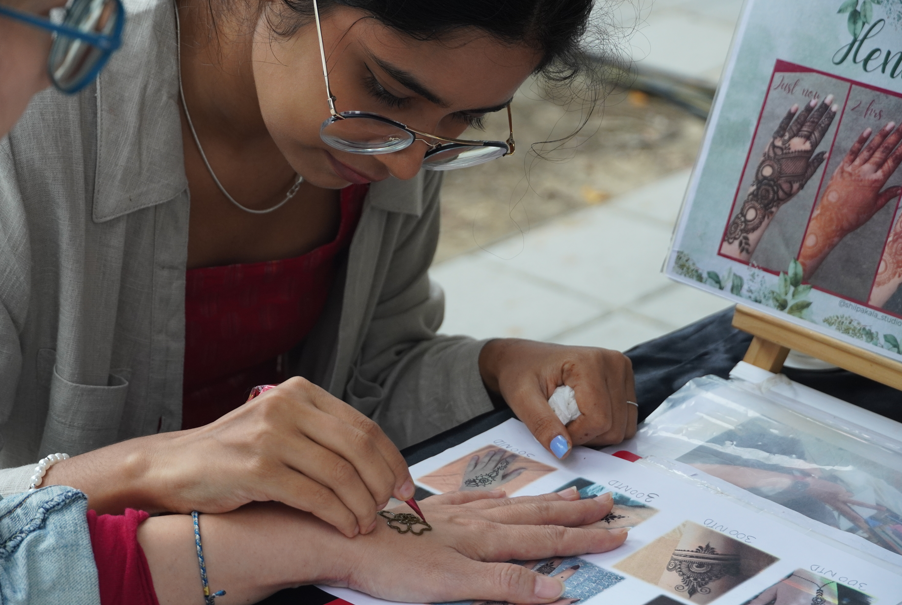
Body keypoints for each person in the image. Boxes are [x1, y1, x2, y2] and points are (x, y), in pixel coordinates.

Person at [1, 0, 634, 602]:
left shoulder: (384, 147)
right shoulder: (28, 93)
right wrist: (144, 467)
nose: (410, 163)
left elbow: (368, 379)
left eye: (464, 121)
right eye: (385, 91)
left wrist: (497, 368)